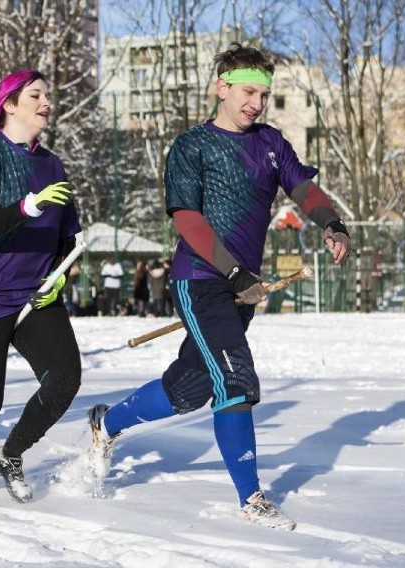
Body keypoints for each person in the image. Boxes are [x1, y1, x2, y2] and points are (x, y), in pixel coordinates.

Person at [86, 43, 352, 531]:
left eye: (264, 94)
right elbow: (187, 219)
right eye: (248, 91)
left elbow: (303, 189)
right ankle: (251, 498)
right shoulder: (192, 146)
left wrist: (332, 223)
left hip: (242, 286)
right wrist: (234, 274)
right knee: (235, 379)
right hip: (202, 280)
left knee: (188, 390)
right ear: (221, 88)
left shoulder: (271, 143)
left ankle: (108, 423)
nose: (256, 102)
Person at [0, 69, 82, 507]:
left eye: (48, 95)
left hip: (33, 295)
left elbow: (67, 237)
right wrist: (28, 205)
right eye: (36, 95)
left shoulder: (52, 163)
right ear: (9, 104)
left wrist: (59, 275)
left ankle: (10, 454)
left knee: (65, 379)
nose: (46, 102)